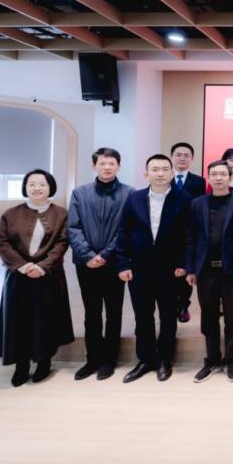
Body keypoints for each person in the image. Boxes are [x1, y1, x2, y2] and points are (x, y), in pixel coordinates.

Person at [0, 169, 73, 387]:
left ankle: (44, 362)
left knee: (46, 319)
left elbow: (62, 243)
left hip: (49, 276)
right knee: (18, 320)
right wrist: (23, 265)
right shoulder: (10, 214)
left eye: (42, 184)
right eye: (32, 184)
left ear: (50, 187)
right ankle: (21, 365)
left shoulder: (62, 214)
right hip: (18, 276)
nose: (37, 188)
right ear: (25, 187)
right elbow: (1, 242)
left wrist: (43, 267)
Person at [115, 154, 191, 383]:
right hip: (139, 268)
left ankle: (165, 359)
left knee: (168, 316)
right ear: (146, 174)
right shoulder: (134, 198)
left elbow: (189, 235)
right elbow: (123, 232)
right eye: (155, 169)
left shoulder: (184, 199)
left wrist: (184, 264)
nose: (160, 173)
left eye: (165, 169)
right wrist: (123, 263)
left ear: (172, 173)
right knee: (143, 316)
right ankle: (145, 359)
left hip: (171, 269)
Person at [67, 147, 134, 381]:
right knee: (91, 312)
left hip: (115, 263)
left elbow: (126, 229)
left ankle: (109, 360)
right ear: (94, 166)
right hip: (86, 264)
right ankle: (92, 359)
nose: (107, 167)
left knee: (114, 313)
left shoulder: (129, 193)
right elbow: (73, 227)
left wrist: (105, 254)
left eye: (111, 163)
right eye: (102, 163)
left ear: (119, 166)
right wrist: (87, 255)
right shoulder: (80, 193)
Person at [185, 160, 233, 383]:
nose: (218, 178)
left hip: (232, 270)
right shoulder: (197, 203)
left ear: (230, 176)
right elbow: (191, 238)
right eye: (214, 174)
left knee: (232, 317)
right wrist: (190, 268)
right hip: (205, 269)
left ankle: (231, 360)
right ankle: (212, 359)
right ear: (208, 177)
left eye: (223, 174)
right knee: (209, 316)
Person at [170, 142, 206, 323]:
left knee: (186, 270)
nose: (182, 158)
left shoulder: (198, 181)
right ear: (172, 157)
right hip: (167, 233)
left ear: (191, 159)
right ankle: (171, 304)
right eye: (178, 155)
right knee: (169, 270)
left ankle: (184, 305)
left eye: (186, 155)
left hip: (189, 232)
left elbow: (199, 207)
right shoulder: (164, 177)